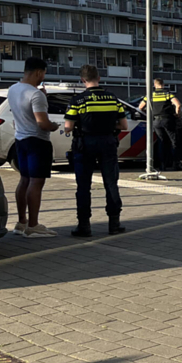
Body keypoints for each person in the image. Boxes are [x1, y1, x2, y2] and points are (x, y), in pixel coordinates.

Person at [64, 65, 127, 237]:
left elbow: (68, 127)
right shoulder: (113, 98)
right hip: (108, 143)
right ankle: (114, 224)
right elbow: (123, 125)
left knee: (83, 186)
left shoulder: (77, 101)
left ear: (82, 80)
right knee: (111, 183)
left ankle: (84, 226)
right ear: (98, 78)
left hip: (84, 144)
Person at [8, 57, 60, 238]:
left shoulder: (13, 89)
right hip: (37, 142)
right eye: (44, 73)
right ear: (39, 72)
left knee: (24, 180)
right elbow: (42, 123)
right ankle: (33, 225)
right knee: (36, 182)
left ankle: (21, 222)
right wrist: (55, 125)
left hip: (20, 140)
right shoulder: (36, 95)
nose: (43, 77)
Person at [138, 78, 181, 171]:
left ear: (155, 85)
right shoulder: (168, 94)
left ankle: (162, 165)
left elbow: (140, 107)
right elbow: (178, 105)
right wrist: (177, 114)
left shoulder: (150, 95)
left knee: (161, 142)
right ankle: (175, 164)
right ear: (163, 84)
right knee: (174, 141)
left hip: (156, 121)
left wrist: (149, 112)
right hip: (168, 120)